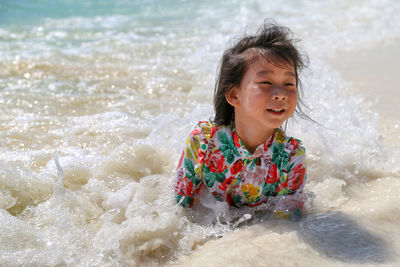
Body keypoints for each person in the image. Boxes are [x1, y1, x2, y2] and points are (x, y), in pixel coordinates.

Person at [174, 21, 309, 220]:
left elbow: (285, 225)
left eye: (289, 83)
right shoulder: (203, 142)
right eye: (266, 82)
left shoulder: (291, 158)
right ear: (234, 95)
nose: (281, 94)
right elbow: (179, 209)